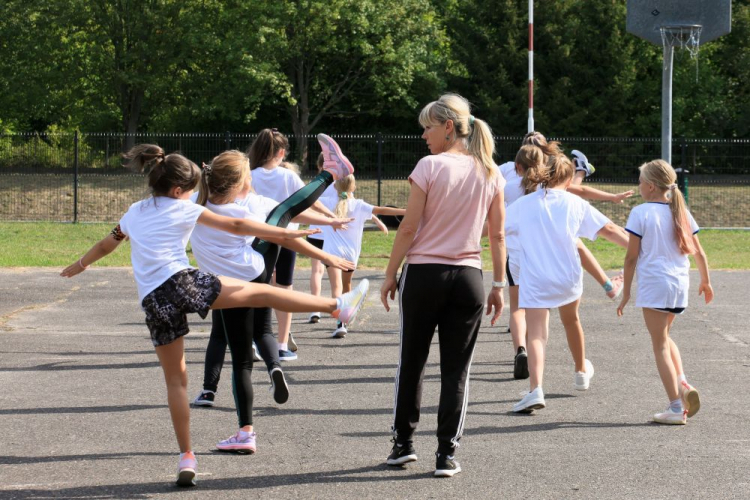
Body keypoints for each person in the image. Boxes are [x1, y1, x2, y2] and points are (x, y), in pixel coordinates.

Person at [60, 142, 369, 487]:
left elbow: (109, 242)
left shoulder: (133, 212)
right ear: (178, 190)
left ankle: (186, 457)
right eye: (192, 189)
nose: (197, 194)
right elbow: (237, 227)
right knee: (264, 292)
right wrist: (282, 233)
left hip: (153, 302)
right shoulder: (184, 208)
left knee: (176, 382)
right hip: (182, 284)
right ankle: (336, 306)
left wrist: (81, 264)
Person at [187, 149, 354, 453]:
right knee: (281, 214)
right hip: (256, 275)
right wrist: (325, 252)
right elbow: (283, 231)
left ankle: (245, 432)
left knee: (240, 361)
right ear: (238, 185)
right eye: (247, 179)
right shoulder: (243, 211)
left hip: (226, 290)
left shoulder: (193, 206)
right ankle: (331, 172)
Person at [380, 94, 506, 478]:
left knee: (412, 363)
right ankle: (447, 453)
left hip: (424, 275)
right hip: (469, 277)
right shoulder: (490, 171)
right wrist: (498, 284)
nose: (424, 136)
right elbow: (498, 235)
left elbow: (408, 226)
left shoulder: (430, 166)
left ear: (448, 127)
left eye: (428, 128)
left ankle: (403, 444)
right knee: (456, 370)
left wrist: (389, 273)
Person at [500, 139, 633, 384]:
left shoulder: (521, 202)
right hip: (566, 275)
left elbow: (497, 230)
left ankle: (535, 389)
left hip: (534, 273)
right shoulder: (574, 202)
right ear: (570, 180)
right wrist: (641, 249)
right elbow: (610, 229)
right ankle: (581, 371)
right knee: (571, 320)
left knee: (536, 333)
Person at [617, 159, 713, 425]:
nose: (638, 186)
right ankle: (682, 384)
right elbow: (700, 252)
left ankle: (675, 407)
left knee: (659, 344)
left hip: (656, 285)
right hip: (679, 285)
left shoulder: (641, 212)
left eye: (639, 182)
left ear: (649, 186)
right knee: (665, 336)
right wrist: (706, 281)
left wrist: (625, 293)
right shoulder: (680, 211)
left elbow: (630, 258)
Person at [248, 129, 337, 360]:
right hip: (287, 239)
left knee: (258, 288)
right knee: (284, 290)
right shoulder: (287, 176)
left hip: (258, 238)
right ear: (281, 152)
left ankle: (254, 341)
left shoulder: (250, 175)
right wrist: (332, 218)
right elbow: (309, 198)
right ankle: (281, 344)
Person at [323, 174, 406, 338]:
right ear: (353, 187)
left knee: (336, 287)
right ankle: (343, 320)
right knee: (347, 286)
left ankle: (340, 321)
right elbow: (382, 210)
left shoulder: (326, 202)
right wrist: (407, 210)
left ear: (334, 187)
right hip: (350, 255)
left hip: (331, 252)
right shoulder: (359, 205)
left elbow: (307, 203)